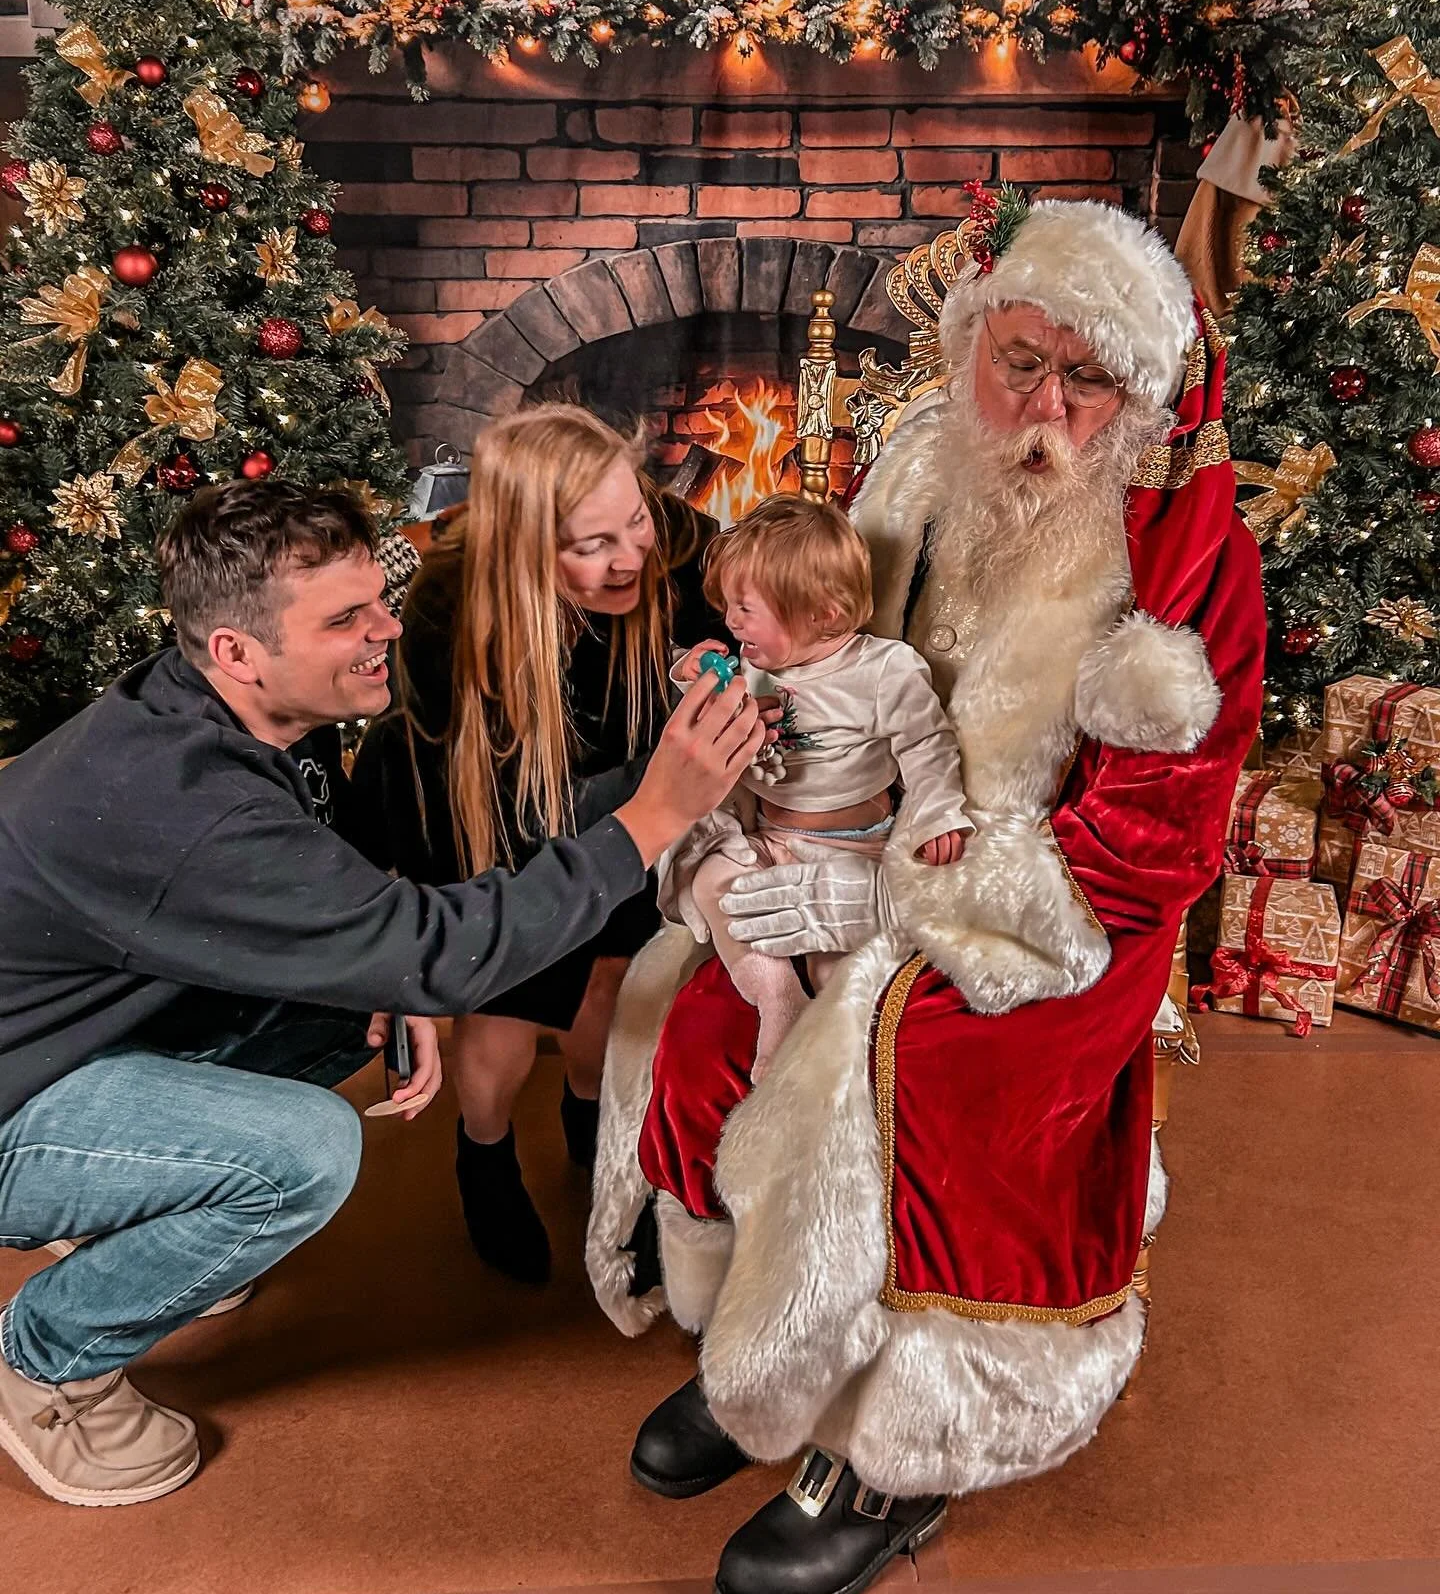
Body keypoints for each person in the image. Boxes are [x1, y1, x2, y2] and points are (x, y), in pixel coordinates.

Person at [585, 199, 1267, 1594]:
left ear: (1139, 396)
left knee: (934, 1070)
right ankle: (760, 1355)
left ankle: (899, 1445)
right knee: (717, 1017)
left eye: (1088, 380)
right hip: (867, 845)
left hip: (1054, 910)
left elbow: (1159, 832)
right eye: (1022, 362)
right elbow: (823, 671)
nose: (1046, 406)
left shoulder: (1188, 540)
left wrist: (969, 906)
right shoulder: (911, 469)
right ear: (971, 348)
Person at [0, 479, 763, 1510]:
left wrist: (379, 960)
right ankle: (48, 1360)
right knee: (304, 1154)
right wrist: (649, 818)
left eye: (379, 601)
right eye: (347, 619)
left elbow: (370, 885)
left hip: (56, 1029)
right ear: (237, 648)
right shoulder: (188, 807)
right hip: (17, 1093)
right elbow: (446, 954)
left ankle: (136, 1213)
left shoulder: (249, 708)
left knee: (342, 1007)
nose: (387, 629)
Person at [348, 406, 727, 1283]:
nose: (629, 555)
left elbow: (754, 584)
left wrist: (741, 648)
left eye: (633, 520)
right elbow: (523, 813)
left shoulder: (663, 536)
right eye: (590, 545)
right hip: (491, 816)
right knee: (510, 1014)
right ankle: (483, 1155)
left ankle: (594, 1127)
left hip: (632, 798)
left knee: (611, 982)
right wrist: (663, 775)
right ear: (524, 546)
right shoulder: (448, 609)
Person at [663, 496, 970, 1080]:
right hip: (767, 840)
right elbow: (707, 719)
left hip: (852, 850)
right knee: (710, 878)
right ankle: (776, 995)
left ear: (823, 614)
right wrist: (689, 672)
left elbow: (928, 746)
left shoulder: (883, 670)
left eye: (746, 609)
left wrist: (937, 815)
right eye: (729, 605)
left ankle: (837, 1059)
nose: (730, 622)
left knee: (843, 971)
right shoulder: (757, 666)